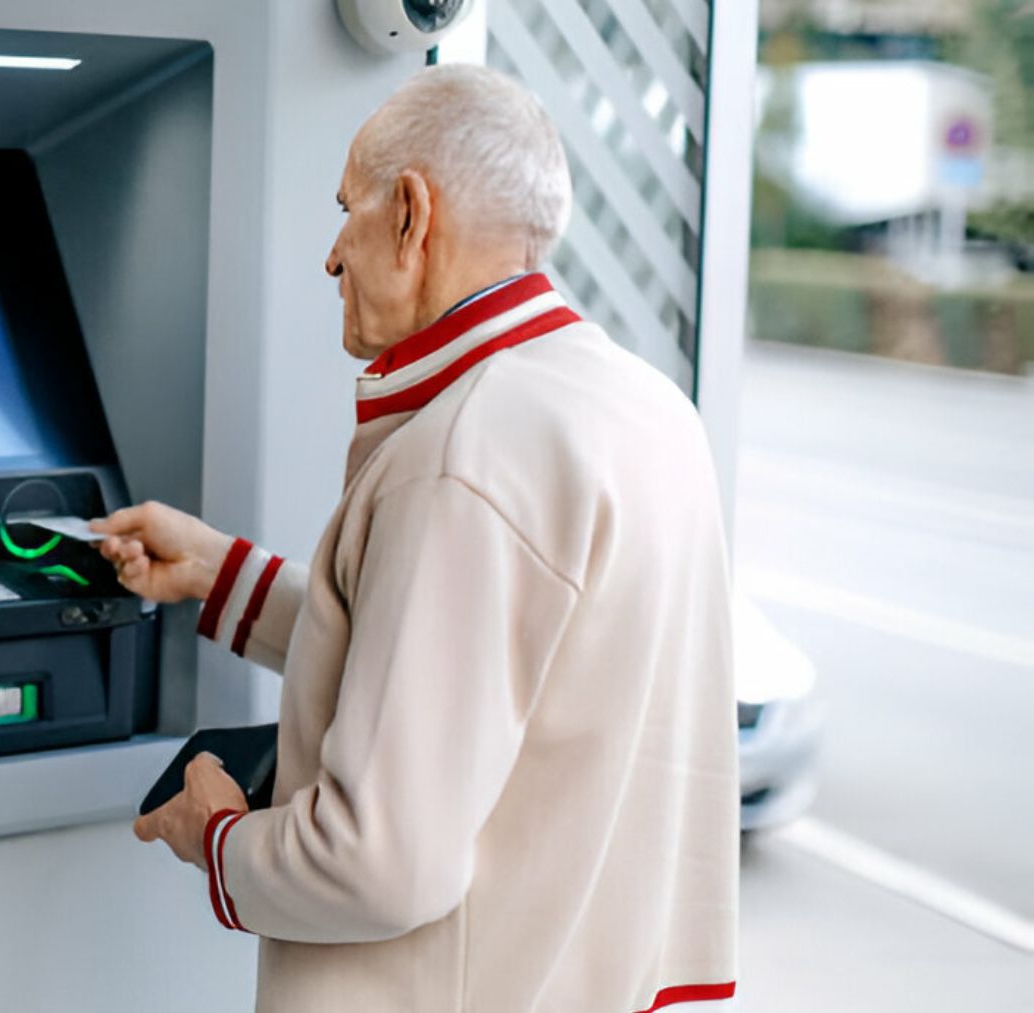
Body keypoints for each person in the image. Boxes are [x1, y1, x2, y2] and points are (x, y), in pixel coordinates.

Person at [92, 64, 738, 1012]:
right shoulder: (644, 408)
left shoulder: (465, 452)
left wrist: (219, 837)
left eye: (346, 209)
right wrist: (223, 577)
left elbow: (379, 866)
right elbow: (495, 670)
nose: (330, 257)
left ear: (409, 214)